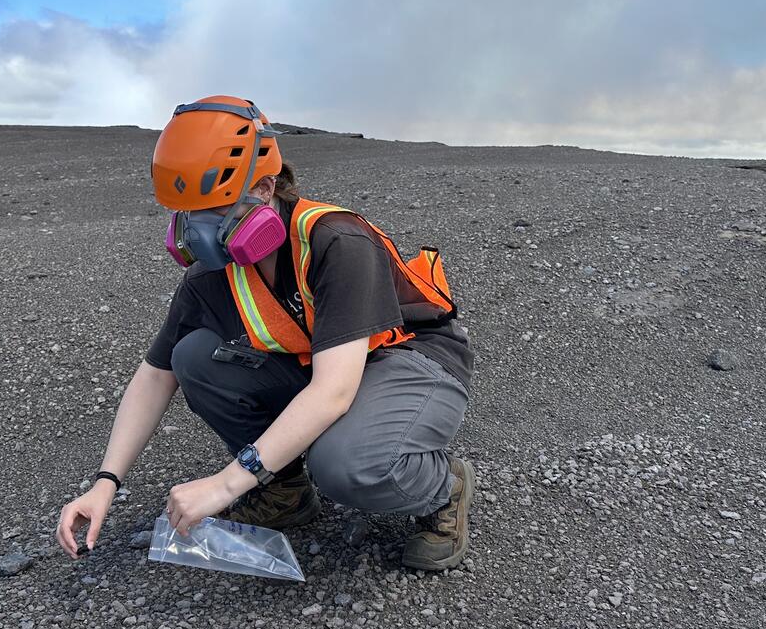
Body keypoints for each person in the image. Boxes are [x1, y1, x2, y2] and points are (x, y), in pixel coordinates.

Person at [55, 95, 475, 571]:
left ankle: (445, 489)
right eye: (186, 213)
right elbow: (156, 375)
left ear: (264, 187)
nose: (195, 231)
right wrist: (105, 483)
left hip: (410, 358)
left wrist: (229, 482)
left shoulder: (336, 241)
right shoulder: (214, 272)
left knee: (345, 464)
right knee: (192, 357)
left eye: (211, 209)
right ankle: (284, 489)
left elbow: (333, 393)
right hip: (322, 363)